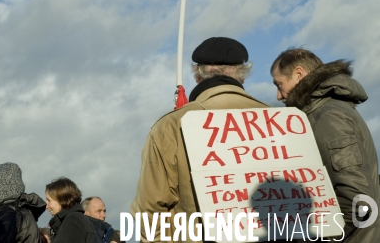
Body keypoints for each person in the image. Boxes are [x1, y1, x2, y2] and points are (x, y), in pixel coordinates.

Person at [130, 37, 268, 242]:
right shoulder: (281, 120)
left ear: (197, 75)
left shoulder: (171, 125)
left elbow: (150, 209)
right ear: (243, 76)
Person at [271, 48, 380, 242]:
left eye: (279, 84)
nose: (278, 96)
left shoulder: (328, 116)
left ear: (299, 74)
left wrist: (317, 237)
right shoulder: (325, 112)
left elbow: (358, 200)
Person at [46, 177, 112, 243]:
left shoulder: (73, 220)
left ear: (62, 200)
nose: (47, 206)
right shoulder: (73, 219)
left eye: (49, 200)